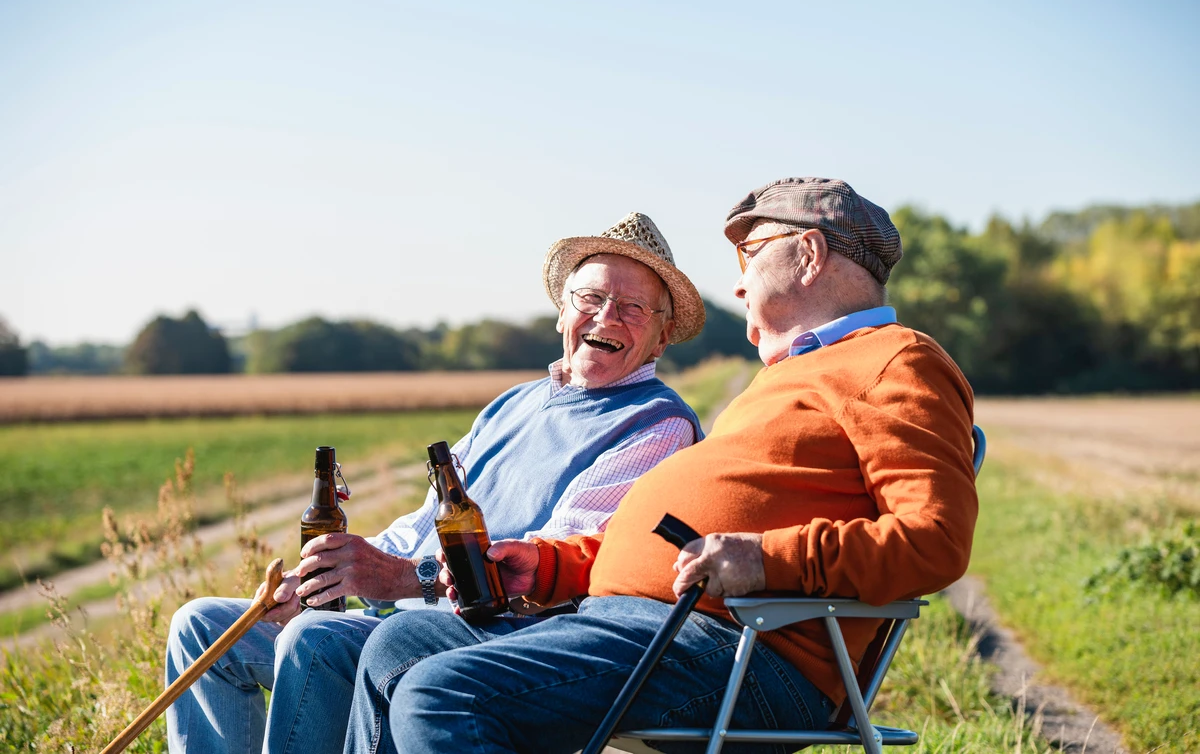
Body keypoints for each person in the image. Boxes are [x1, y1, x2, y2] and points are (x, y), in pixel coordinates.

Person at [342, 177, 979, 754]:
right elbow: (672, 539)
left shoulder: (894, 361)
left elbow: (936, 542)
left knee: (442, 693)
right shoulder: (786, 379)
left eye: (749, 255)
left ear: (808, 255)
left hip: (741, 650)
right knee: (396, 647)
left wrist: (765, 560)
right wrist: (551, 566)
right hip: (633, 623)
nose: (737, 283)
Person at [164, 212, 707, 754]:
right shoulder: (513, 403)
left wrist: (403, 579)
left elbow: (553, 563)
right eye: (589, 298)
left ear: (660, 340)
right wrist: (330, 580)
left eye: (633, 308)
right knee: (203, 626)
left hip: (485, 641)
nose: (606, 317)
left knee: (316, 639)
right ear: (562, 312)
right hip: (398, 616)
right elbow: (425, 523)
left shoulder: (655, 423)